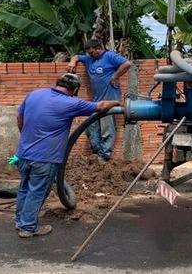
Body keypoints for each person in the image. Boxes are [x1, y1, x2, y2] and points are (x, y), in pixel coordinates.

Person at [13, 73, 121, 237]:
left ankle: (20, 221)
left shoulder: (34, 94)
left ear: (57, 83)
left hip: (23, 153)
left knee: (25, 188)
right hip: (45, 157)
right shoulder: (71, 103)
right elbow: (100, 106)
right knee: (37, 191)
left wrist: (26, 137)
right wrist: (118, 101)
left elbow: (19, 117)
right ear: (75, 89)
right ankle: (27, 227)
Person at [67, 39, 132, 161]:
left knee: (107, 128)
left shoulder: (109, 56)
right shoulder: (89, 58)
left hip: (110, 99)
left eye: (92, 52)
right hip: (97, 101)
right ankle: (97, 151)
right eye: (88, 53)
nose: (90, 55)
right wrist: (72, 61)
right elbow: (76, 56)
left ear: (99, 48)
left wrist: (115, 76)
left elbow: (127, 64)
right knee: (90, 127)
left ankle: (105, 155)